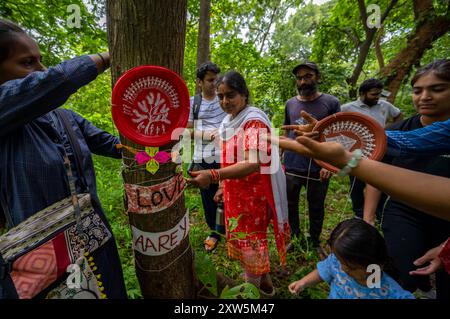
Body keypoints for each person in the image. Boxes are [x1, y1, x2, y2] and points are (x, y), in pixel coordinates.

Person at [0, 19, 127, 298]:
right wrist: (110, 56)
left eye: (41, 61)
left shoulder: (65, 118)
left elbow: (114, 146)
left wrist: (156, 152)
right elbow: (57, 80)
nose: (41, 70)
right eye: (27, 62)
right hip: (42, 258)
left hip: (93, 238)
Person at [188, 71, 289, 296]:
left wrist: (214, 177)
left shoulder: (253, 121)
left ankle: (249, 295)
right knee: (249, 251)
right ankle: (267, 291)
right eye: (221, 96)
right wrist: (224, 187)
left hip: (254, 198)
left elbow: (253, 163)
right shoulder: (229, 121)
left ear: (244, 94)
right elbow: (228, 156)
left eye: (230, 95)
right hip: (237, 194)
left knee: (251, 250)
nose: (224, 102)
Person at [363, 59, 450, 299]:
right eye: (418, 90)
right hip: (405, 211)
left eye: (437, 89)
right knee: (400, 274)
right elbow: (374, 171)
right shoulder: (399, 132)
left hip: (446, 219)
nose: (425, 97)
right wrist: (368, 219)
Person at [282, 61, 340, 256]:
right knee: (290, 204)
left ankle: (314, 241)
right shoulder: (290, 103)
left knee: (316, 205)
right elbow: (287, 130)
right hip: (292, 164)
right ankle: (295, 237)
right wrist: (282, 155)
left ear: (318, 77)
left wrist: (330, 164)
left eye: (308, 76)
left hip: (319, 165)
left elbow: (339, 135)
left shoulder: (331, 103)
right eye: (299, 78)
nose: (303, 81)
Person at [288, 218, 414, 299]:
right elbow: (324, 271)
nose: (343, 268)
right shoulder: (339, 262)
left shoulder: (387, 291)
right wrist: (303, 282)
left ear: (376, 264)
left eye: (351, 267)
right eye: (341, 262)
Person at [341, 78, 403, 218]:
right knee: (356, 182)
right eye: (374, 94)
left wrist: (389, 130)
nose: (377, 97)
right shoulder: (347, 108)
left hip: (381, 149)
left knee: (380, 181)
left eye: (379, 94)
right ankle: (359, 212)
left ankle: (380, 211)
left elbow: (398, 115)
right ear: (363, 93)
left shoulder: (385, 105)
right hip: (356, 151)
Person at [186, 61, 226, 252]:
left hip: (226, 156)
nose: (214, 83)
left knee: (228, 193)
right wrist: (208, 134)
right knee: (209, 196)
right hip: (203, 156)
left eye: (216, 79)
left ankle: (229, 228)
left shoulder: (224, 99)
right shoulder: (193, 103)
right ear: (200, 82)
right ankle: (215, 232)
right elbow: (187, 131)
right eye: (210, 80)